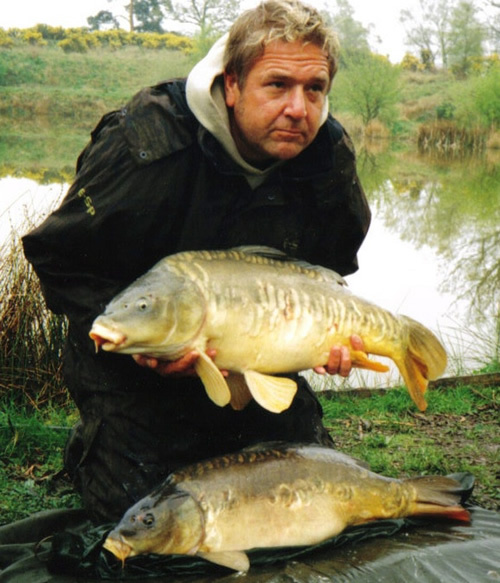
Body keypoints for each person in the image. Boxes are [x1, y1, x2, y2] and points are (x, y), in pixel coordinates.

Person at [22, 0, 370, 524]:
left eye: (314, 89)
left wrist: (319, 338)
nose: (299, 109)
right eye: (277, 85)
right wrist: (140, 342)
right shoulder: (146, 140)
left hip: (251, 360)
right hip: (133, 357)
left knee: (303, 507)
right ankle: (100, 442)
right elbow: (59, 256)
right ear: (231, 85)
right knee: (153, 521)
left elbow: (329, 269)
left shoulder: (328, 155)